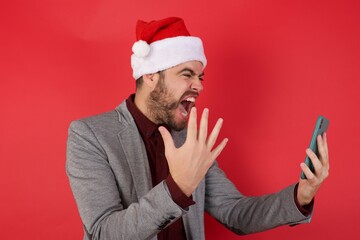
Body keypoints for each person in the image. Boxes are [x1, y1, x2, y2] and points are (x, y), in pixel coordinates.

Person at [66, 17, 329, 240]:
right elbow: (103, 232)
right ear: (150, 76)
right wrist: (177, 188)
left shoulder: (189, 141)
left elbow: (235, 212)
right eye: (187, 74)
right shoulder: (90, 136)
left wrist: (300, 196)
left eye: (200, 77)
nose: (200, 86)